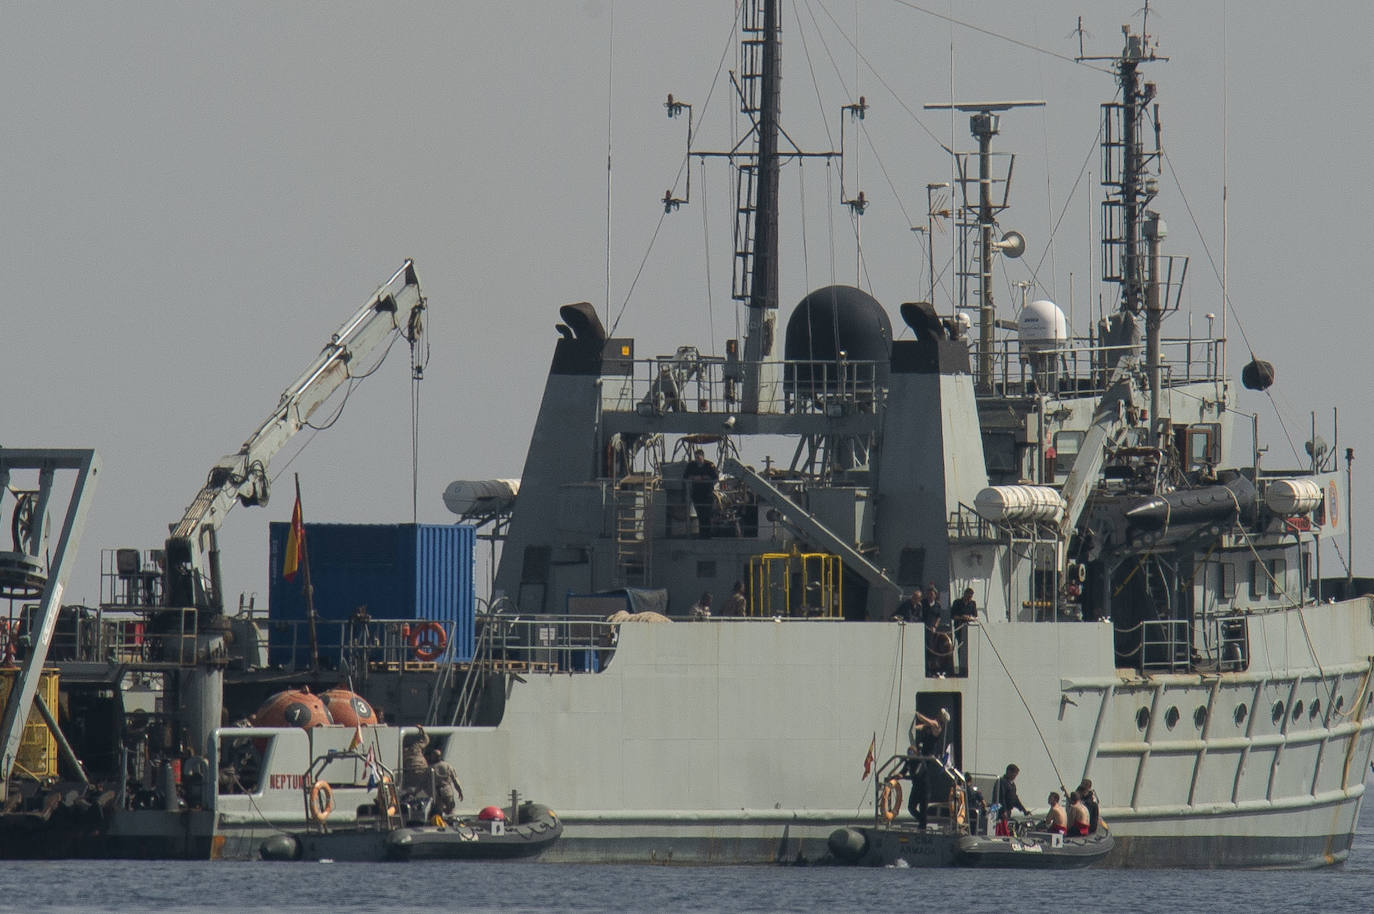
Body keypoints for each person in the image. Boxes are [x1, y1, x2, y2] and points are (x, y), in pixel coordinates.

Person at [904, 709, 948, 829]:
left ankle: (922, 824)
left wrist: (917, 714)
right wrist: (914, 727)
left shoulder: (937, 726)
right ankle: (922, 822)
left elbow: (926, 721)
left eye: (940, 713)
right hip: (922, 754)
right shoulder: (931, 725)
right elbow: (920, 726)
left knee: (922, 774)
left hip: (927, 756)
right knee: (912, 808)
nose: (938, 714)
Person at [682, 449, 719, 538]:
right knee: (700, 515)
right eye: (696, 457)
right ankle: (702, 534)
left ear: (703, 456)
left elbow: (715, 478)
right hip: (696, 494)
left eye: (699, 457)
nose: (697, 459)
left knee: (707, 515)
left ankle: (708, 535)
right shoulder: (691, 465)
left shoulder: (709, 465)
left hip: (707, 494)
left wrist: (704, 478)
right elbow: (685, 477)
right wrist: (694, 478)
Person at [426, 746, 465, 816]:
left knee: (438, 812)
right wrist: (460, 791)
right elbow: (455, 780)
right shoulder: (447, 766)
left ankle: (441, 824)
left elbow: (424, 782)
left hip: (437, 793)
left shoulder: (430, 768)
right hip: (447, 790)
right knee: (451, 810)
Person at [991, 764, 1029, 835]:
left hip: (1008, 811)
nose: (1015, 777)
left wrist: (1023, 810)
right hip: (1000, 813)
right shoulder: (1001, 782)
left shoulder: (1012, 785)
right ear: (1009, 772)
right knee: (1001, 831)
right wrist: (1003, 810)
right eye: (1014, 774)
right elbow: (1000, 797)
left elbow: (1014, 799)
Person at [920, 584, 949, 676]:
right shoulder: (923, 603)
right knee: (923, 649)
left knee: (932, 649)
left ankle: (931, 669)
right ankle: (924, 669)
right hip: (923, 628)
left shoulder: (937, 605)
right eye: (929, 594)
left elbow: (938, 617)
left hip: (932, 630)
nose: (930, 595)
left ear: (935, 595)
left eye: (932, 594)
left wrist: (935, 626)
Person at [950, 588, 977, 674]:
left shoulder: (973, 604)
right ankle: (961, 667)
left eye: (970, 597)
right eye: (968, 596)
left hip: (969, 629)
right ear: (965, 594)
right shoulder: (957, 603)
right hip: (959, 628)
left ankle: (969, 667)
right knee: (961, 648)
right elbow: (953, 616)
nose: (969, 598)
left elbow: (975, 616)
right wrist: (962, 617)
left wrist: (970, 618)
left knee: (969, 648)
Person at [401, 724, 430, 795]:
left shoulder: (401, 752)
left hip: (411, 772)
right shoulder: (416, 746)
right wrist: (422, 730)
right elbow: (426, 740)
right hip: (423, 770)